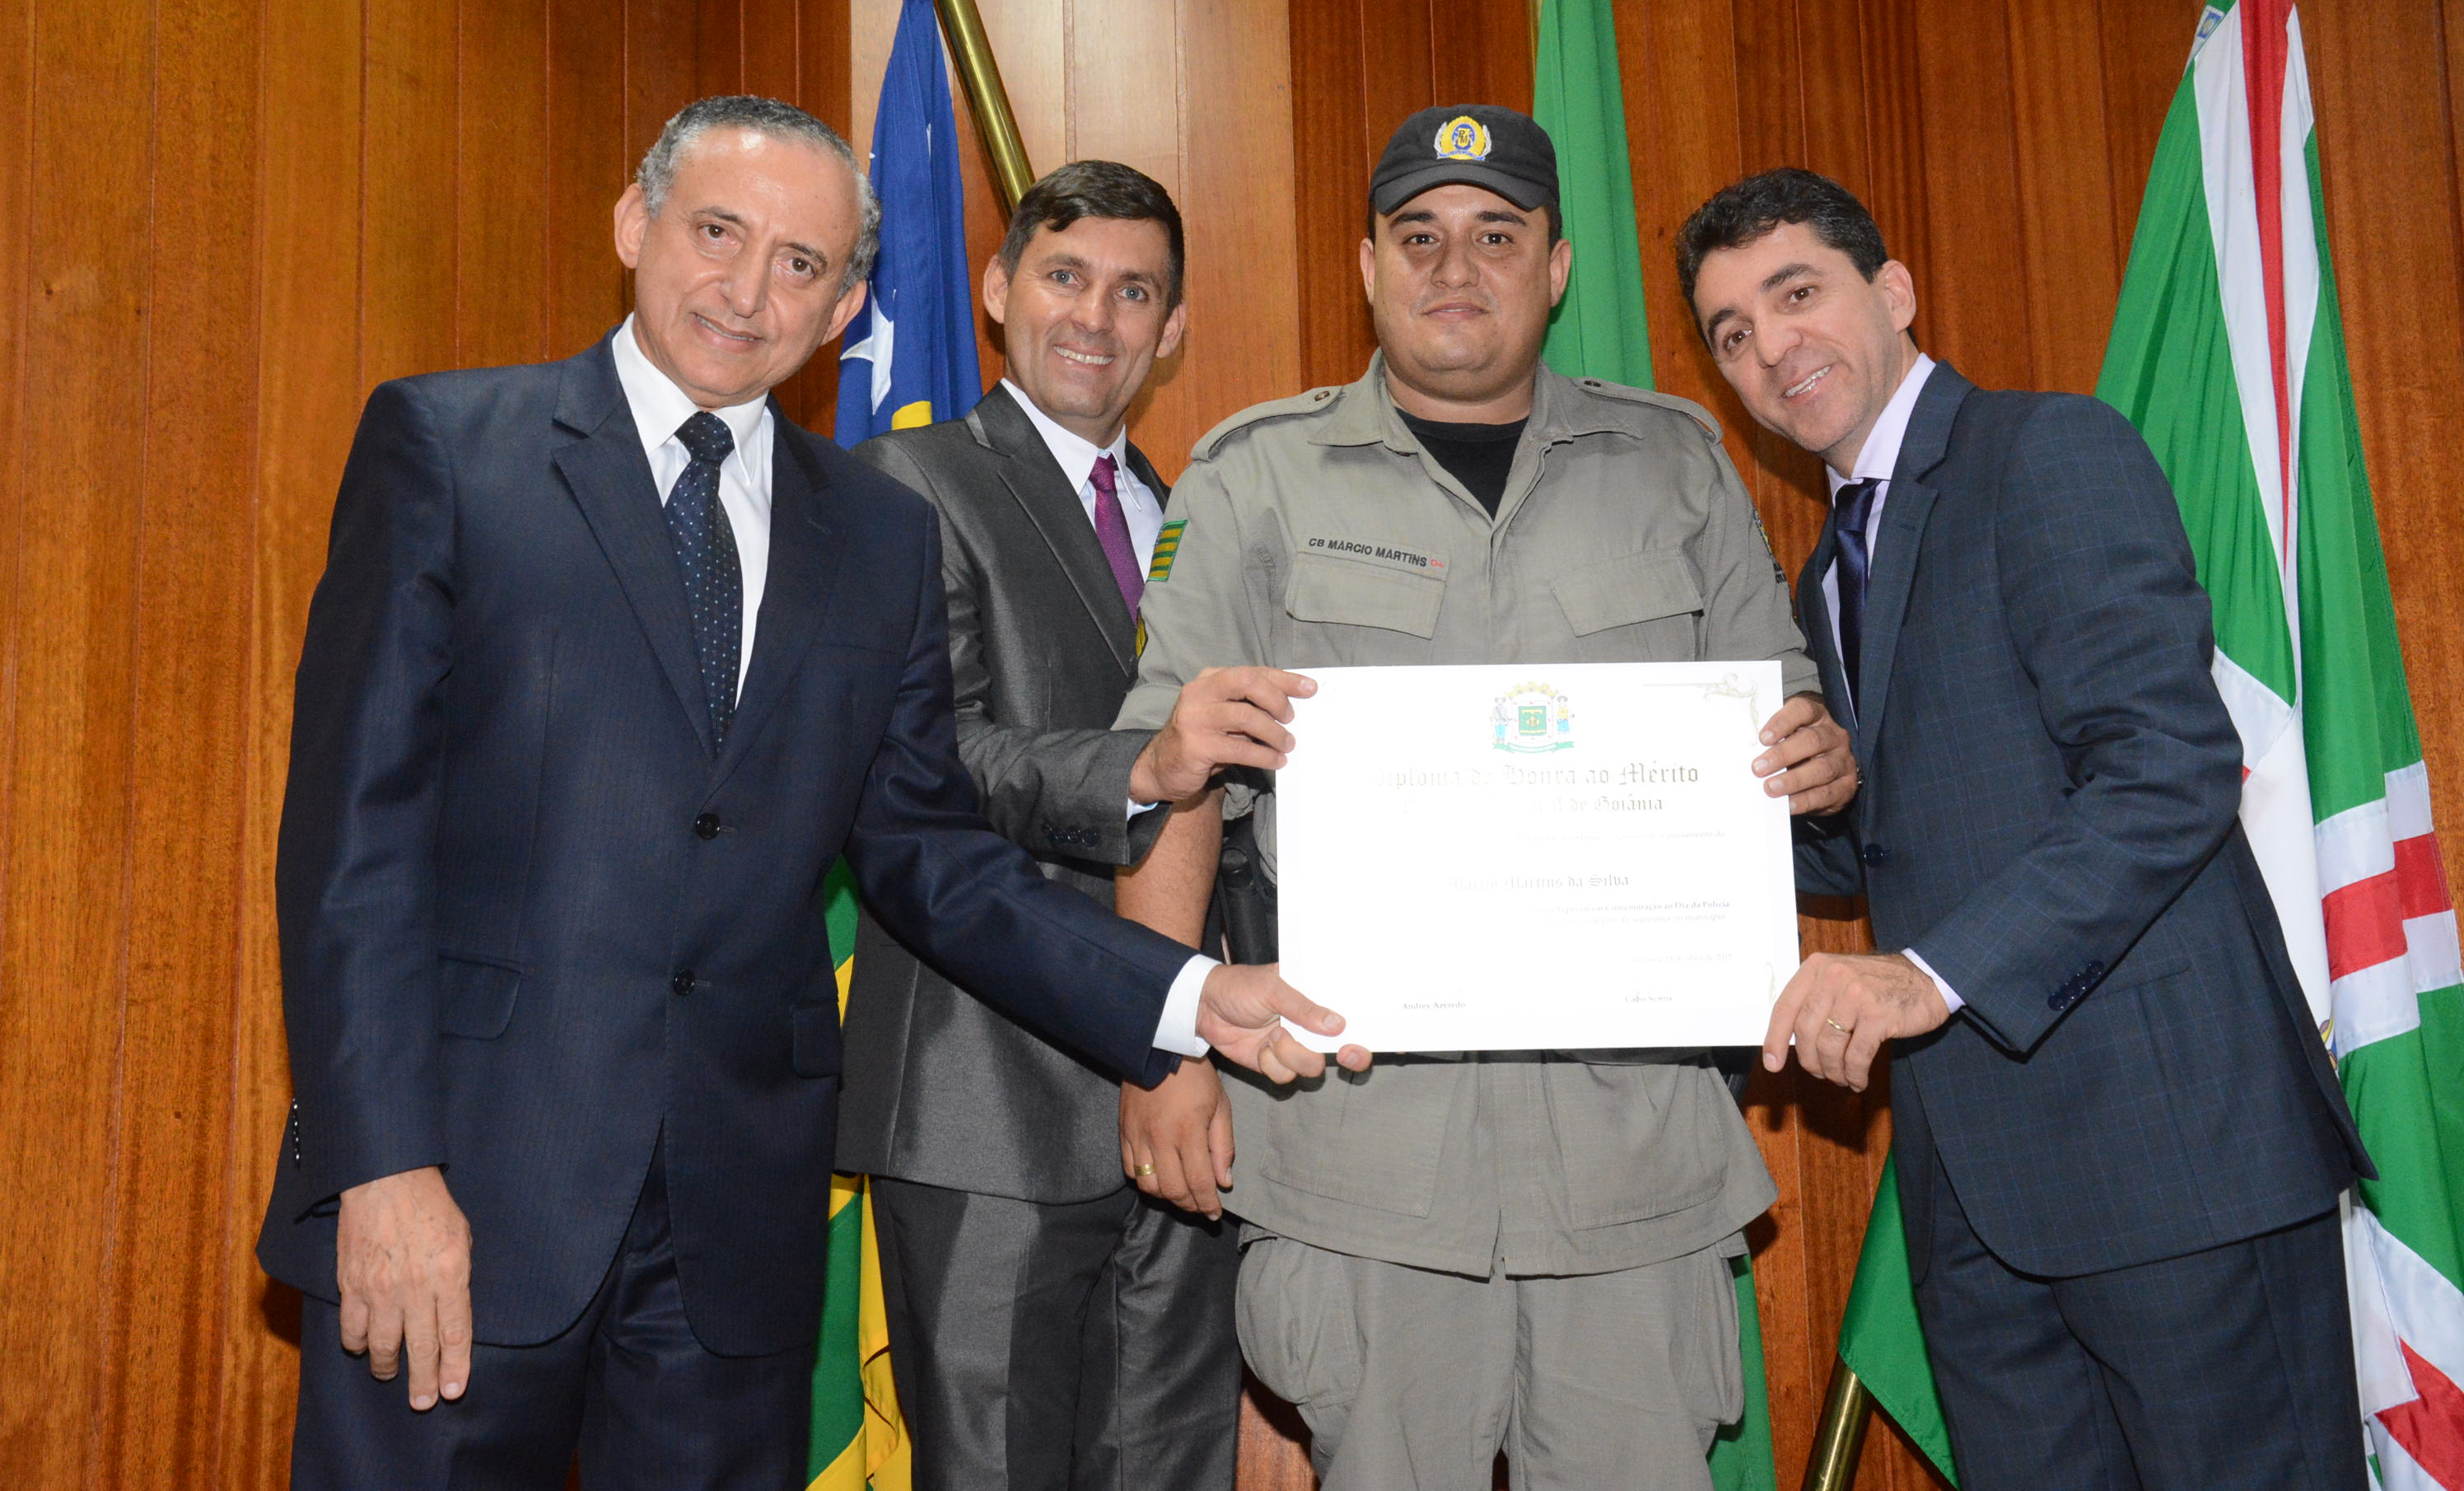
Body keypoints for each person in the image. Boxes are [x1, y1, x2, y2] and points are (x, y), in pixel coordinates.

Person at [259, 95, 1360, 1491]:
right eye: (718, 233)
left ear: (844, 309)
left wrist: (1183, 997)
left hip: (732, 1232)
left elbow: (929, 855)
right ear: (634, 225)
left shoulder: (879, 531)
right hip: (463, 1191)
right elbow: (351, 848)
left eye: (800, 264)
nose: (747, 290)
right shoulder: (450, 447)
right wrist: (381, 1167)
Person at [1110, 105, 1858, 1491]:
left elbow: (1781, 725)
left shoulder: (1677, 461)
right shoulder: (1252, 473)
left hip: (1633, 1164)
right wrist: (1160, 1054)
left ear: (1557, 268)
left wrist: (1816, 756)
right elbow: (1172, 779)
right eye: (1420, 237)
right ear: (1367, 265)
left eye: (1498, 236)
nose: (1456, 267)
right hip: (1360, 1160)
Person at [1679, 167, 2373, 1489]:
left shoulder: (2044, 452)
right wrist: (1733, 809)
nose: (1771, 347)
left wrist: (1925, 975)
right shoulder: (1829, 571)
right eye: (1732, 332)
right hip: (1977, 1196)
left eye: (1797, 292)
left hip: (2173, 1160)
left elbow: (2167, 767)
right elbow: (1893, 842)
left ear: (1893, 292)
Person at [839, 161, 1249, 1489]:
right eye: (1066, 277)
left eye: (1136, 292)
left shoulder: (1195, 519)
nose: (1096, 316)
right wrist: (1148, 764)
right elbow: (925, 763)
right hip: (988, 1104)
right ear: (998, 289)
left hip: (1195, 1102)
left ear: (1174, 328)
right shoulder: (907, 481)